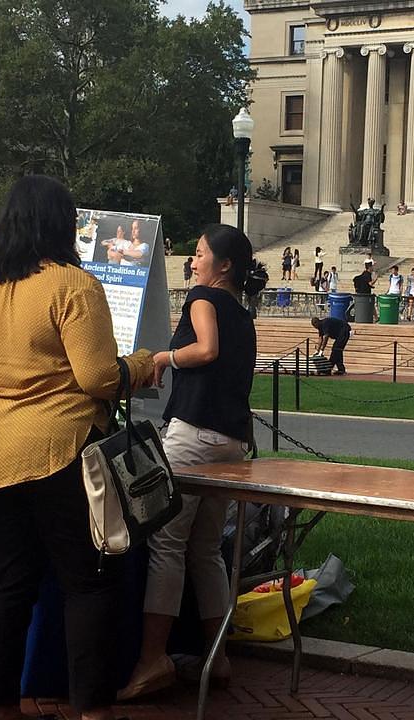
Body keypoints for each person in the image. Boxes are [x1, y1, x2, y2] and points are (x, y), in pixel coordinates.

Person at [0, 175, 155, 720]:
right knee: (88, 583)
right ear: (62, 224)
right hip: (62, 451)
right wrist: (143, 365)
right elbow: (95, 377)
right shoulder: (75, 285)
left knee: (5, 584)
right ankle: (92, 708)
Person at [120, 224, 266, 701]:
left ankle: (151, 659)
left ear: (223, 266)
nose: (193, 260)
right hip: (231, 441)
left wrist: (164, 356)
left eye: (200, 253)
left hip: (193, 436)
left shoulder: (203, 297)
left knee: (167, 547)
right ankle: (217, 656)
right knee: (206, 552)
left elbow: (206, 350)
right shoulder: (244, 314)